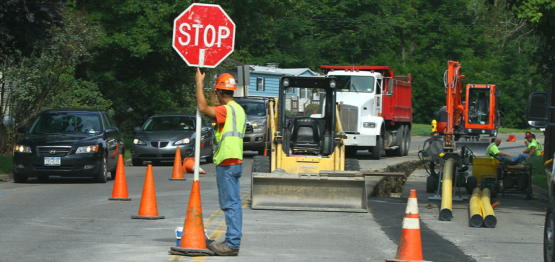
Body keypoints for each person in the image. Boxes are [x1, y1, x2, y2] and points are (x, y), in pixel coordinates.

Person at [195, 68, 246, 256]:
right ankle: (232, 241)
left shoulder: (227, 110)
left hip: (228, 161)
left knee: (230, 204)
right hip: (235, 161)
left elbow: (203, 108)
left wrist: (199, 83)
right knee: (233, 203)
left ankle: (232, 244)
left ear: (218, 92)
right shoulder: (238, 109)